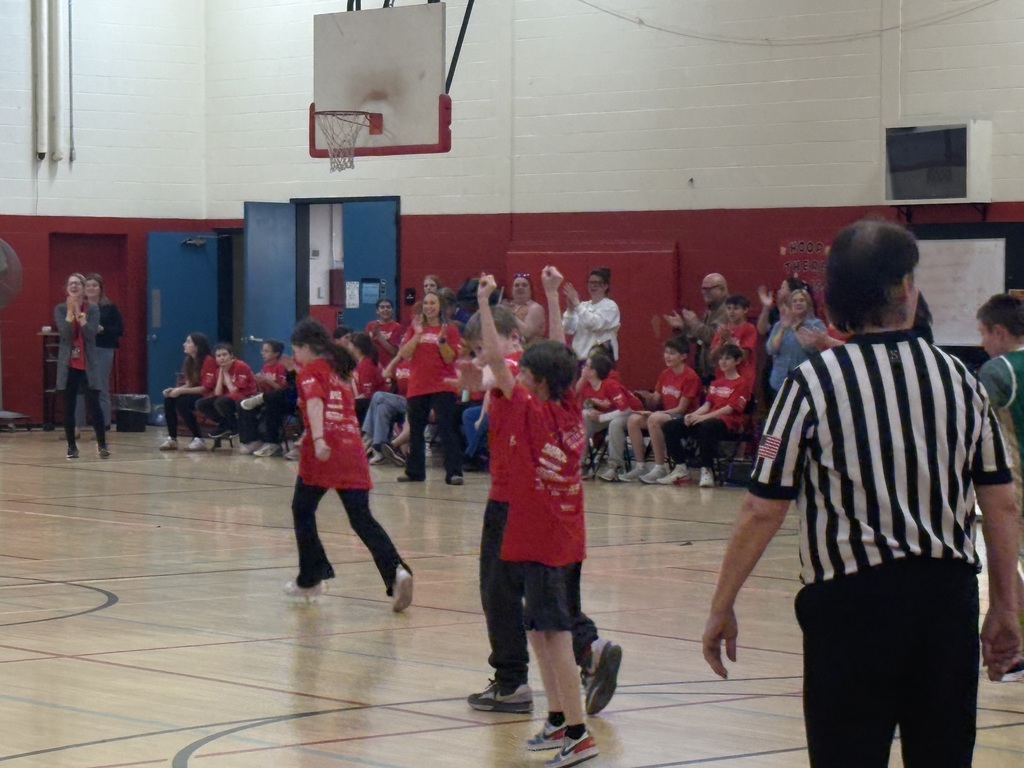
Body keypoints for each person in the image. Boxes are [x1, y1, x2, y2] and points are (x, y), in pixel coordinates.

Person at [702, 220, 1022, 768]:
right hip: (944, 604)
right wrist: (1007, 608)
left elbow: (761, 508)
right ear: (905, 287)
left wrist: (721, 604)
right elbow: (1000, 502)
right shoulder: (961, 380)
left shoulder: (811, 383)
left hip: (849, 607)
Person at [461, 268, 622, 722]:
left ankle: (515, 684)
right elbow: (560, 353)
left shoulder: (517, 376)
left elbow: (497, 365)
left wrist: (483, 306)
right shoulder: (562, 393)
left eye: (479, 347)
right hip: (560, 515)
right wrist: (551, 295)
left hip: (516, 504)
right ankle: (588, 651)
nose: (479, 356)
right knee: (552, 598)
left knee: (501, 593)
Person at [284, 317, 414, 612]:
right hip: (352, 450)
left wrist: (317, 439)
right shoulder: (339, 371)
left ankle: (310, 578)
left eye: (296, 349)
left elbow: (316, 405)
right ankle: (397, 572)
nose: (295, 356)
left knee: (302, 510)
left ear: (305, 347)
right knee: (361, 519)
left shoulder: (309, 373)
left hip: (324, 453)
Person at [976, 293, 1024, 682]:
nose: (981, 343)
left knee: (1008, 566)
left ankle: (1016, 647)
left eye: (982, 333)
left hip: (1016, 488)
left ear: (998, 331)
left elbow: (966, 422)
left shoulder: (998, 372)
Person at [392, 292, 464, 485]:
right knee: (416, 430)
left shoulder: (450, 329)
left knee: (447, 428)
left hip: (443, 385)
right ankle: (415, 472)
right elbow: (405, 354)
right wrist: (417, 335)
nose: (429, 306)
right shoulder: (415, 328)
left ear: (440, 306)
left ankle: (454, 473)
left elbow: (450, 358)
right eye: (426, 303)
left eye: (433, 303)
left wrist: (441, 341)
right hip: (418, 385)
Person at [660, 344, 752, 488]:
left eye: (727, 358)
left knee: (706, 426)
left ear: (737, 361)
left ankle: (707, 469)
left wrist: (704, 418)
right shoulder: (716, 383)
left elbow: (729, 409)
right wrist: (692, 415)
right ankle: (680, 468)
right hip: (708, 419)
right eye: (721, 358)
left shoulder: (742, 383)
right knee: (671, 426)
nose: (723, 362)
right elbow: (707, 405)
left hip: (727, 423)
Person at [620, 336, 702, 483]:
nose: (667, 356)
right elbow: (655, 402)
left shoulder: (690, 377)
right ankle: (640, 466)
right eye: (666, 352)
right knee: (633, 420)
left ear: (683, 356)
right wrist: (646, 398)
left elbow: (681, 408)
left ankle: (660, 467)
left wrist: (656, 413)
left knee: (654, 418)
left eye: (672, 353)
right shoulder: (665, 374)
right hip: (663, 414)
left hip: (682, 417)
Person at [54, 273, 108, 459]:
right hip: (68, 365)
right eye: (71, 283)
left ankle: (102, 444)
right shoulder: (60, 309)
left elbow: (91, 334)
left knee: (94, 405)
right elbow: (65, 334)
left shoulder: (92, 309)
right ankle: (71, 446)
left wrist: (80, 315)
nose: (74, 286)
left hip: (88, 364)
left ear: (84, 289)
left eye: (78, 283)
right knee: (68, 407)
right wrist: (70, 312)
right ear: (67, 288)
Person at [576, 353, 642, 482]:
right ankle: (582, 462)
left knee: (615, 423)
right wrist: (591, 410)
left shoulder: (610, 385)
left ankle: (615, 466)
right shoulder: (587, 386)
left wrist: (602, 417)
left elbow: (625, 409)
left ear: (593, 372)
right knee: (584, 416)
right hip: (609, 414)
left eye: (586, 365)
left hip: (632, 413)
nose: (583, 367)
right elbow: (585, 404)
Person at [75, 273, 123, 432]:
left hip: (103, 349)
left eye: (94, 285)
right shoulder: (81, 307)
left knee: (100, 385)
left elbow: (119, 330)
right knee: (80, 386)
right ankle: (78, 425)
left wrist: (103, 329)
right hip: (83, 349)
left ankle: (104, 423)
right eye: (88, 286)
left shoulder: (109, 308)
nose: (91, 289)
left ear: (100, 288)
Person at [764, 287, 825, 403]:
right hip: (779, 382)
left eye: (802, 300)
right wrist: (783, 328)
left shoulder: (816, 325)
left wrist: (795, 328)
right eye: (795, 301)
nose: (798, 303)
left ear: (808, 304)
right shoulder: (779, 325)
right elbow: (771, 350)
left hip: (804, 382)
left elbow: (811, 349)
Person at [665, 272, 729, 382]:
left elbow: (712, 336)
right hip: (708, 371)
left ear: (722, 289)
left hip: (720, 372)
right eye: (703, 289)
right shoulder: (711, 309)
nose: (704, 293)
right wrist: (683, 327)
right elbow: (700, 338)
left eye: (708, 289)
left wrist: (695, 323)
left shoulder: (727, 310)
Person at [160, 333, 216, 452]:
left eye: (188, 342)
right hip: (196, 392)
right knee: (169, 399)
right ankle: (172, 438)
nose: (184, 344)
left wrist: (181, 390)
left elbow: (205, 388)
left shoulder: (208, 360)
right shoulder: (189, 361)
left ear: (197, 346)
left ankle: (198, 438)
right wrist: (174, 390)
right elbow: (191, 383)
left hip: (208, 395)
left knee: (182, 402)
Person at [195, 343, 258, 441]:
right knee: (201, 404)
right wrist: (221, 372)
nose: (222, 358)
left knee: (220, 402)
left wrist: (225, 373)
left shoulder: (240, 365)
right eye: (218, 356)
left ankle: (235, 426)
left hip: (246, 396)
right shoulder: (219, 369)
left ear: (231, 355)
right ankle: (224, 423)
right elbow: (218, 393)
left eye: (224, 355)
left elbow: (234, 390)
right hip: (228, 397)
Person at [238, 340, 289, 455]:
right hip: (265, 396)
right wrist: (259, 383)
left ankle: (271, 442)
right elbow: (263, 389)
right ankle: (252, 440)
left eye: (266, 351)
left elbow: (281, 389)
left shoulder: (281, 367)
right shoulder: (265, 366)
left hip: (277, 399)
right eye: (262, 350)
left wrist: (266, 380)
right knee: (242, 403)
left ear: (276, 354)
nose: (262, 353)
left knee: (270, 405)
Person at [561, 267, 620, 363]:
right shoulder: (583, 305)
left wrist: (576, 304)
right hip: (579, 359)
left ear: (605, 286)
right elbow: (568, 329)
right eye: (591, 283)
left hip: (600, 361)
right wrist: (571, 310)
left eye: (597, 283)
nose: (593, 286)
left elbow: (594, 324)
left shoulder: (610, 306)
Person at [708, 294, 757, 380]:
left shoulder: (749, 329)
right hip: (722, 377)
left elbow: (743, 356)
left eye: (736, 308)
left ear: (745, 310)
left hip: (742, 376)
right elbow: (712, 357)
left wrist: (729, 338)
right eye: (729, 308)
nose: (731, 312)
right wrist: (721, 341)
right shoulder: (723, 329)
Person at [365, 298, 403, 368]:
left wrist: (379, 337)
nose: (385, 309)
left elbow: (394, 352)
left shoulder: (397, 327)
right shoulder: (370, 325)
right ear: (377, 311)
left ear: (392, 310)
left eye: (388, 307)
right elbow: (365, 349)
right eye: (382, 307)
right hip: (373, 366)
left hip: (389, 368)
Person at [509, 272, 545, 344]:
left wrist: (509, 314)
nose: (520, 287)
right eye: (517, 285)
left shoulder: (535, 308)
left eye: (524, 285)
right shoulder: (506, 305)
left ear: (531, 290)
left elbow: (527, 333)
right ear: (512, 290)